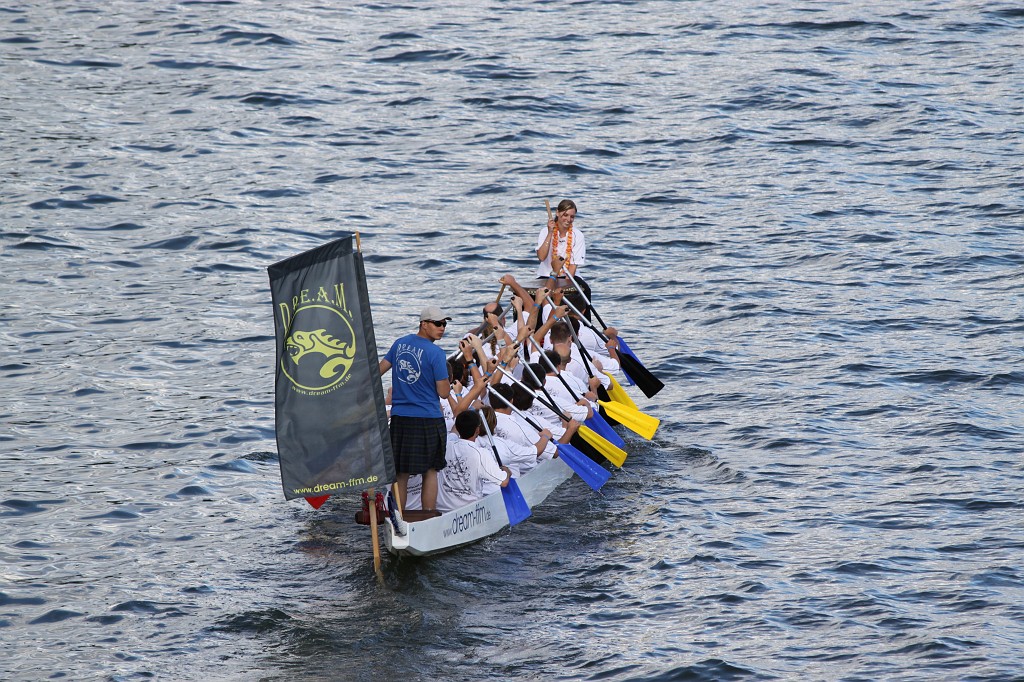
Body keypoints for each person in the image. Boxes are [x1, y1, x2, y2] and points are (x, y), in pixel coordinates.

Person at [379, 305, 453, 513]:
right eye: (438, 324)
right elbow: (444, 392)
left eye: (444, 324)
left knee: (401, 472)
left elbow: (378, 370)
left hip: (401, 418)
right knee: (430, 470)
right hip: (428, 418)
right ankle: (428, 516)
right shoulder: (436, 353)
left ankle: (398, 517)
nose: (442, 328)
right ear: (424, 324)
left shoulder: (399, 344)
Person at [435, 411, 511, 513]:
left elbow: (454, 431)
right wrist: (507, 472)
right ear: (477, 430)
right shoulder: (480, 453)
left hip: (443, 510)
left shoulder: (445, 446)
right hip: (470, 512)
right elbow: (504, 482)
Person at [535, 199, 591, 306]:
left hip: (569, 276)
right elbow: (541, 257)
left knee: (586, 290)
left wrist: (564, 287)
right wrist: (550, 233)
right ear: (557, 213)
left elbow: (573, 266)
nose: (568, 219)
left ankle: (582, 321)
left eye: (572, 217)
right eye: (565, 215)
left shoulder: (578, 235)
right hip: (546, 275)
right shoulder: (545, 231)